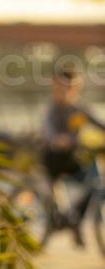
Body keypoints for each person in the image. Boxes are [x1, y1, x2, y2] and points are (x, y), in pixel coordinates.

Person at [41, 66, 105, 246]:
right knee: (54, 185)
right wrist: (58, 140)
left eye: (70, 88)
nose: (66, 92)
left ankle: (76, 218)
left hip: (73, 157)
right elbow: (49, 131)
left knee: (93, 177)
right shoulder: (52, 109)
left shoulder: (80, 110)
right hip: (53, 157)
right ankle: (58, 216)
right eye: (62, 88)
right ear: (55, 87)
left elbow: (99, 124)